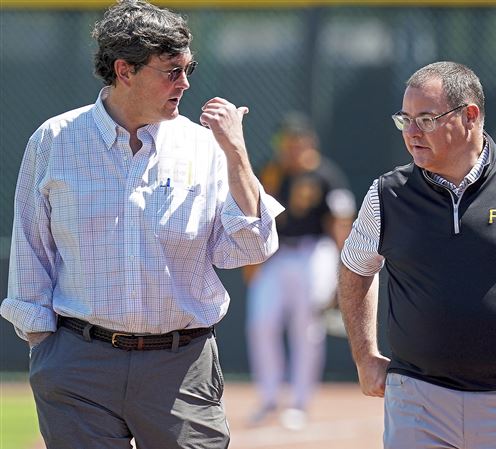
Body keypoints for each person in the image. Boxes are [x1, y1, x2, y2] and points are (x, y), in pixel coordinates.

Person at [0, 1, 284, 448]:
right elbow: (31, 249)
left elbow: (252, 248)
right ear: (124, 70)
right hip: (78, 368)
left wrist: (236, 152)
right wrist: (48, 354)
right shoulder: (54, 139)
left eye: (188, 68)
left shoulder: (204, 146)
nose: (185, 83)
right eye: (171, 71)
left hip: (181, 368)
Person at [338, 61, 496, 449]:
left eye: (425, 119)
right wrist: (365, 356)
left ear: (470, 116)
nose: (411, 133)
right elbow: (355, 270)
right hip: (417, 403)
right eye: (404, 119)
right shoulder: (387, 193)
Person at [245, 112, 356, 429]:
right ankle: (268, 398)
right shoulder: (270, 169)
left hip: (313, 252)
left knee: (306, 326)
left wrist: (342, 269)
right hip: (276, 254)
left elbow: (339, 221)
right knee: (261, 322)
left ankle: (299, 401)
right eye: (285, 140)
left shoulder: (326, 174)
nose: (290, 147)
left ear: (309, 141)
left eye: (296, 140)